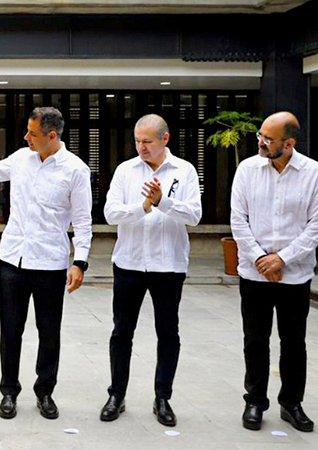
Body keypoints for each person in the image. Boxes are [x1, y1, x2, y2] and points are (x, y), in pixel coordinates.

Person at [0, 107, 92, 420]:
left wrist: (79, 261)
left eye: (32, 133)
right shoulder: (20, 158)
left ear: (51, 136)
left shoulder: (75, 170)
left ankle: (45, 392)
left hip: (50, 263)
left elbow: (83, 221)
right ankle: (9, 392)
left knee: (49, 332)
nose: (25, 137)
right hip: (13, 259)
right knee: (10, 330)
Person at [230, 111, 318, 433]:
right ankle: (255, 401)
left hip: (295, 274)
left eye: (268, 139)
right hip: (254, 272)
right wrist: (261, 259)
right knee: (255, 340)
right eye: (260, 135)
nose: (260, 142)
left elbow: (317, 227)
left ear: (289, 143)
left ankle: (291, 403)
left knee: (293, 341)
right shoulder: (246, 169)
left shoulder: (315, 173)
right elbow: (238, 221)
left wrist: (282, 259)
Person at [100, 114, 201, 427]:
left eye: (147, 142)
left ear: (165, 139)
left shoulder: (184, 171)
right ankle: (117, 394)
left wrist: (163, 203)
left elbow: (195, 216)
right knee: (121, 332)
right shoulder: (126, 171)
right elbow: (110, 213)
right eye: (138, 141)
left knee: (168, 332)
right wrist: (142, 207)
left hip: (168, 265)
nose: (141, 147)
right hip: (129, 263)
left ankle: (162, 397)